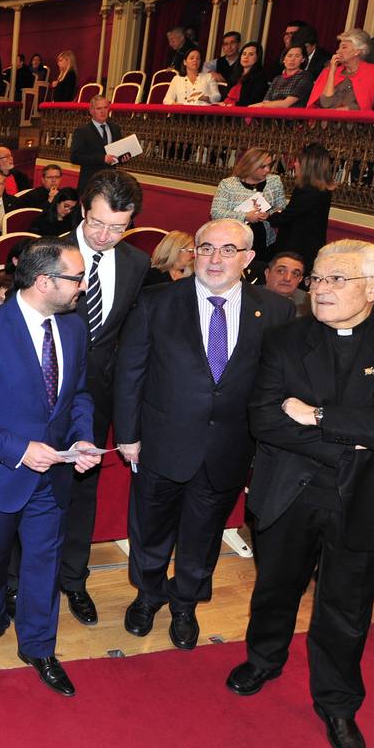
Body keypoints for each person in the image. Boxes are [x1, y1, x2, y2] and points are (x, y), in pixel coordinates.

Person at [231, 240, 374, 748]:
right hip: (291, 493)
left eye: (336, 280)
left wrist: (320, 416)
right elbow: (266, 420)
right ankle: (263, 658)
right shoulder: (283, 339)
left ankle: (338, 702)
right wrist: (367, 432)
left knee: (345, 610)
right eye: (317, 279)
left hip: (368, 500)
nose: (320, 290)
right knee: (275, 588)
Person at [115, 219, 294, 649]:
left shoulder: (275, 310)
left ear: (248, 258)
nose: (215, 259)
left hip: (229, 447)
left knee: (203, 534)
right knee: (151, 528)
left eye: (228, 250)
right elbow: (130, 372)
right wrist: (127, 434)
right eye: (207, 248)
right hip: (160, 441)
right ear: (194, 252)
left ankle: (185, 603)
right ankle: (148, 594)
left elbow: (279, 382)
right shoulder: (155, 301)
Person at [0, 238, 98, 695]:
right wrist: (19, 449)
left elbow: (80, 395)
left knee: (43, 563)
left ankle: (38, 645)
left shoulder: (72, 328)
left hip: (54, 474)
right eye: (75, 278)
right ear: (45, 281)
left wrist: (83, 436)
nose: (82, 287)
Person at [54, 170, 149, 625]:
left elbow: (128, 339)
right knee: (29, 486)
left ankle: (73, 579)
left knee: (82, 491)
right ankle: (16, 580)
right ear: (81, 206)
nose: (105, 236)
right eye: (97, 224)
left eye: (118, 227)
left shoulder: (135, 263)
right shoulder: (45, 249)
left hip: (97, 397)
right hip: (40, 390)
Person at [210, 147, 287, 270]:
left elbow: (281, 207)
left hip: (264, 241)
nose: (267, 170)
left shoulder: (274, 182)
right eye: (262, 167)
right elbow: (216, 213)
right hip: (234, 241)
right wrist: (245, 216)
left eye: (269, 165)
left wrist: (269, 215)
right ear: (250, 166)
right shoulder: (228, 184)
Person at [269, 142, 336, 271]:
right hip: (309, 247)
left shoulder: (308, 190)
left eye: (298, 161)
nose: (295, 164)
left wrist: (270, 215)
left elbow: (286, 218)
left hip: (297, 250)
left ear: (308, 167)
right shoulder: (323, 189)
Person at [308, 29, 374, 110]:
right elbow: (326, 103)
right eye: (339, 47)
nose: (338, 51)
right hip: (327, 120)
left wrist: (343, 110)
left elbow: (368, 104)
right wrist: (332, 71)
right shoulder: (328, 72)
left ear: (357, 51)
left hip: (355, 121)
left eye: (344, 47)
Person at [69, 96, 123, 194]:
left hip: (110, 184)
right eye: (99, 108)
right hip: (90, 184)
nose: (103, 111)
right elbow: (75, 157)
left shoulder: (115, 128)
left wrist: (123, 158)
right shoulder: (82, 131)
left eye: (105, 107)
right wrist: (102, 158)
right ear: (91, 111)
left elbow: (117, 155)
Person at [221, 42, 268, 107]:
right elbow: (224, 97)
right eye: (244, 54)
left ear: (257, 58)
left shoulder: (260, 77)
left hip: (242, 111)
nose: (246, 57)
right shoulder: (235, 75)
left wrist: (232, 105)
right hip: (224, 108)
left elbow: (253, 101)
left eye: (251, 54)